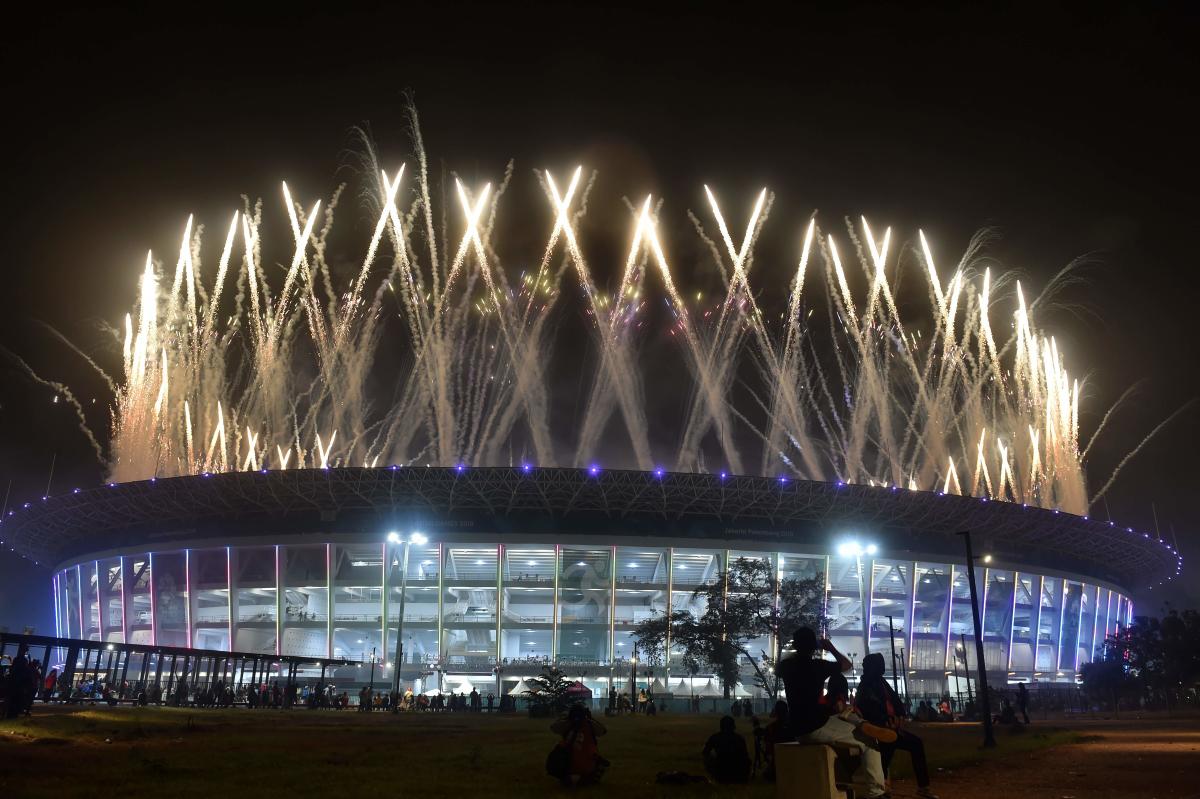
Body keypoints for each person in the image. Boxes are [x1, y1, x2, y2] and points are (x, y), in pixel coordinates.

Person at [776, 627, 888, 798]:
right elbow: (847, 665)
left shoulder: (786, 666)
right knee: (869, 741)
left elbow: (779, 667)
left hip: (797, 728)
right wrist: (830, 648)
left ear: (796, 645)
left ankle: (861, 723)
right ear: (814, 646)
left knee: (844, 716)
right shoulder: (818, 666)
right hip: (815, 726)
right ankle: (877, 793)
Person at [856, 653, 937, 798]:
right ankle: (883, 788)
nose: (883, 667)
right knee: (889, 750)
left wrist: (899, 716)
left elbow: (895, 701)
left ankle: (916, 787)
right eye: (879, 664)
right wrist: (886, 721)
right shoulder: (866, 686)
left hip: (891, 728)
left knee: (907, 746)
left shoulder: (880, 682)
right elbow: (869, 708)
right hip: (879, 729)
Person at [548, 704, 609, 786]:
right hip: (588, 765)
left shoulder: (567, 724)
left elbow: (553, 727)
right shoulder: (590, 724)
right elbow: (603, 731)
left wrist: (566, 718)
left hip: (567, 765)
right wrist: (590, 718)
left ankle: (573, 779)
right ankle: (583, 779)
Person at [702, 715, 751, 784]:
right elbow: (745, 757)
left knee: (708, 757)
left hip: (721, 773)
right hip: (739, 774)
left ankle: (716, 776)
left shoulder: (715, 737)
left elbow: (705, 752)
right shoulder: (739, 738)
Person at [762, 700, 793, 782]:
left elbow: (767, 749)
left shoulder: (770, 728)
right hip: (794, 762)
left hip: (777, 762)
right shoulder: (795, 727)